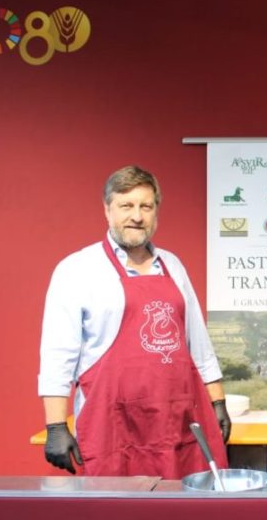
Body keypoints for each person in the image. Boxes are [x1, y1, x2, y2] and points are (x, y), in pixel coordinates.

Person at [37, 165, 231, 478]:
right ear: (107, 210)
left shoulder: (173, 265)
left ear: (156, 212)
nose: (137, 216)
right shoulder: (76, 270)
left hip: (177, 419)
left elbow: (198, 344)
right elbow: (58, 356)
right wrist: (56, 426)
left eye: (146, 206)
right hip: (113, 424)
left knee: (186, 515)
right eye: (126, 206)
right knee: (116, 518)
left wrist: (217, 401)